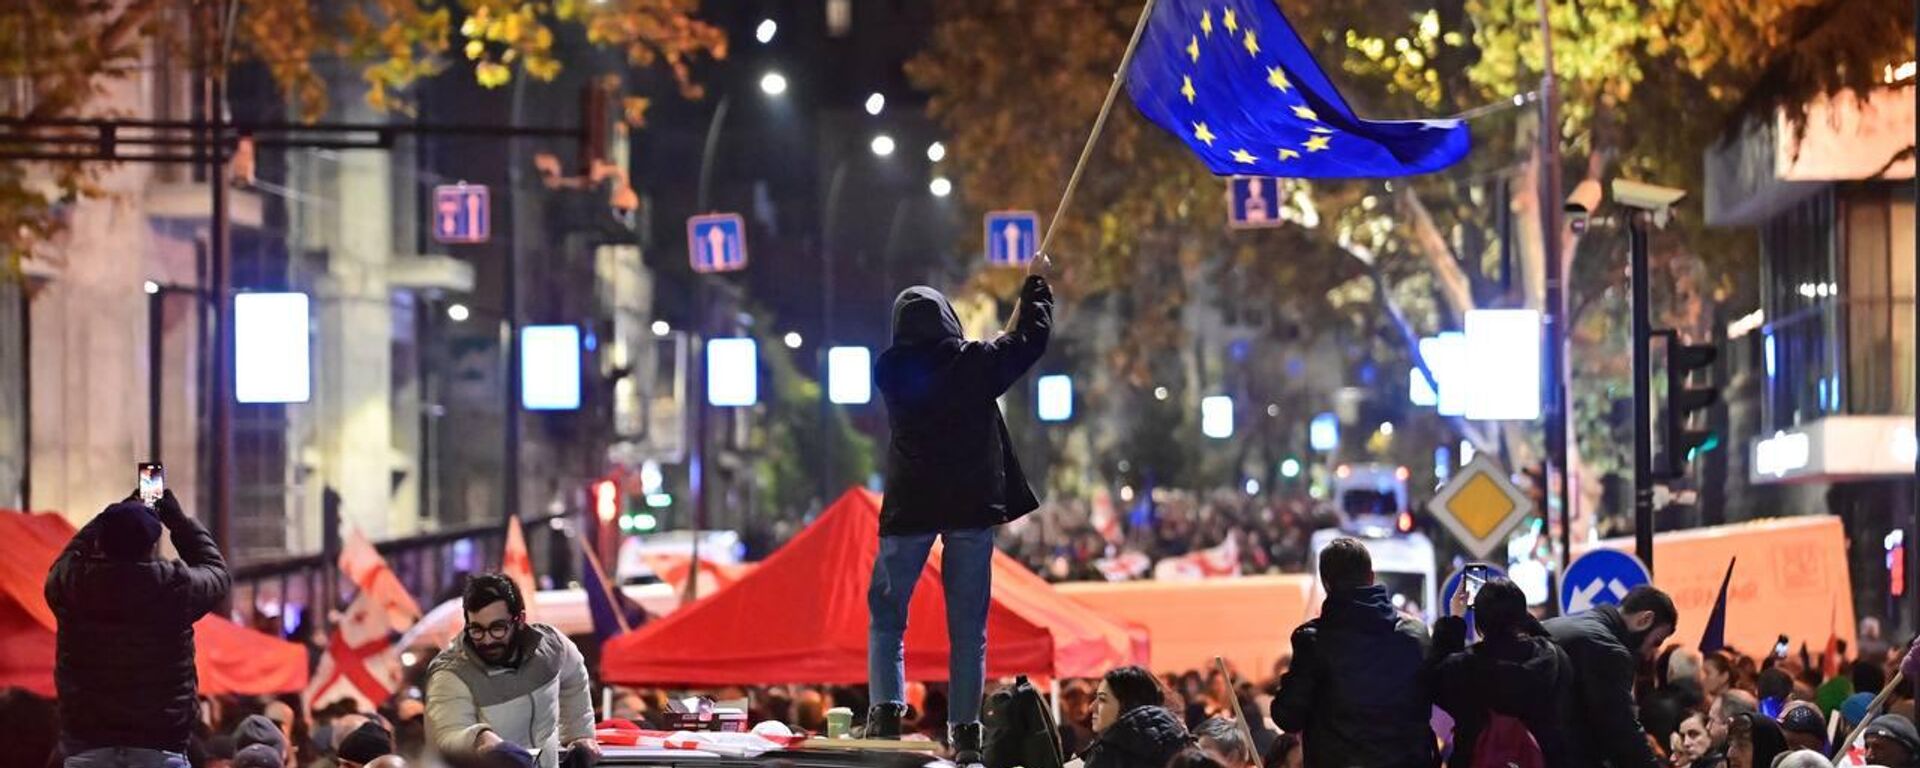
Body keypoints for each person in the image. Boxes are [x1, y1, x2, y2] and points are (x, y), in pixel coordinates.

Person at [867, 252, 1054, 764]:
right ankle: (965, 730)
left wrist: (990, 351)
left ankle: (885, 709)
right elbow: (1027, 343)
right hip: (970, 507)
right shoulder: (975, 366)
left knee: (887, 615)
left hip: (910, 506)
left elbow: (990, 355)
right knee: (968, 627)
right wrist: (1036, 286)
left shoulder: (890, 371)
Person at [47, 491, 231, 768]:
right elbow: (216, 572)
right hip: (160, 747)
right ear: (152, 543)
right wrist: (178, 522)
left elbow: (64, 561)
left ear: (101, 541)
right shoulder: (176, 587)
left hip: (88, 748)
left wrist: (106, 519)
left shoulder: (74, 586)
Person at [1271, 538, 1433, 768]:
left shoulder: (1313, 641)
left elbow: (1287, 716)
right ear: (1371, 576)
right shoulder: (1414, 635)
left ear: (1326, 584)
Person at [424, 574, 598, 768]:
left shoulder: (551, 647)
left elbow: (574, 678)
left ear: (520, 619)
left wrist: (579, 735)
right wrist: (479, 738)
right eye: (477, 629)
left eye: (497, 628)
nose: (487, 640)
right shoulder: (450, 672)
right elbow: (447, 737)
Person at [1428, 577, 1574, 768]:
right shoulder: (1553, 659)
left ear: (1479, 624)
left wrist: (1455, 620)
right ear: (1523, 616)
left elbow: (1434, 679)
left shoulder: (1463, 668)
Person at [1082, 666, 1190, 768]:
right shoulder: (1183, 745)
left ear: (1128, 703)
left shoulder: (1110, 754)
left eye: (1102, 700)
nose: (1092, 707)